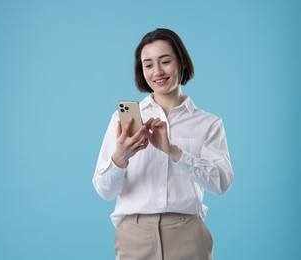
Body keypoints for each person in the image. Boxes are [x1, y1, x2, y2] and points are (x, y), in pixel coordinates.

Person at [92, 28, 234, 260]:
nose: (157, 71)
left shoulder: (208, 123)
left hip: (188, 234)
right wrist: (121, 156)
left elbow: (221, 183)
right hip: (134, 236)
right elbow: (104, 190)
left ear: (182, 63)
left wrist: (174, 151)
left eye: (165, 61)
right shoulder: (123, 120)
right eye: (148, 65)